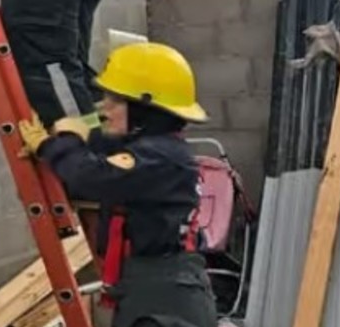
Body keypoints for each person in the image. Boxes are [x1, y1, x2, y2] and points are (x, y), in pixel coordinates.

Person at [17, 42, 220, 327]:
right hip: (153, 284)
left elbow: (94, 176)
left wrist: (55, 145)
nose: (105, 108)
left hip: (164, 295)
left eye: (116, 100)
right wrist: (77, 137)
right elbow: (110, 151)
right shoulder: (157, 148)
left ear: (143, 108)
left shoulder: (160, 157)